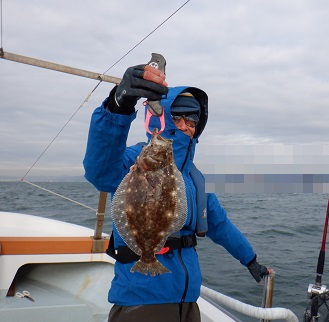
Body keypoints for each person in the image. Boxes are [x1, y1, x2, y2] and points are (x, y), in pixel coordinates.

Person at [83, 62, 270, 322]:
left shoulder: (194, 177)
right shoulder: (136, 159)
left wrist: (250, 259)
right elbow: (100, 170)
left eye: (192, 119)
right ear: (163, 118)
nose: (184, 125)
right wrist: (119, 106)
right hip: (141, 299)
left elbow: (219, 225)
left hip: (187, 301)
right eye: (177, 116)